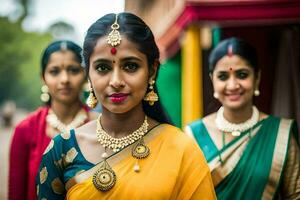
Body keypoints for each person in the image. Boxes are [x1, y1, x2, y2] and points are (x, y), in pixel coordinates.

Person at [36, 13, 216, 199]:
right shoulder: (62, 149)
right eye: (103, 68)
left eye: (130, 66)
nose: (116, 81)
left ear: (152, 71)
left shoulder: (182, 150)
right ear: (88, 74)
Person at [185, 37, 300, 199]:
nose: (232, 85)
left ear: (257, 78)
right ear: (213, 81)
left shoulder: (280, 133)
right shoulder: (194, 135)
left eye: (242, 74)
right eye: (223, 77)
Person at [9, 40, 96, 200]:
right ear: (43, 77)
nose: (64, 79)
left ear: (85, 75)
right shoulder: (25, 129)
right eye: (54, 71)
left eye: (73, 70)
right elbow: (16, 193)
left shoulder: (100, 125)